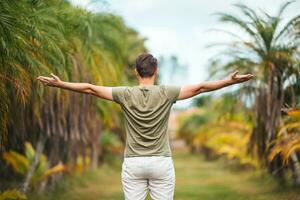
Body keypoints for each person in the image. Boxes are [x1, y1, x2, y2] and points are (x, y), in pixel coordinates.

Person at [37, 53, 254, 200]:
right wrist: (229, 81)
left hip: (134, 162)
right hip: (161, 161)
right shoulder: (166, 93)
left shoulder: (124, 94)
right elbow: (200, 88)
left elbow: (91, 89)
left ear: (136, 72)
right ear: (155, 71)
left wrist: (60, 84)